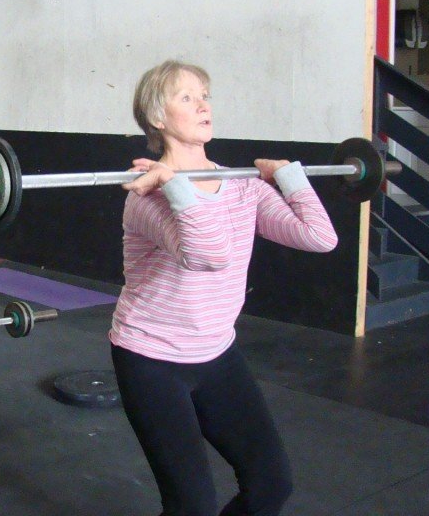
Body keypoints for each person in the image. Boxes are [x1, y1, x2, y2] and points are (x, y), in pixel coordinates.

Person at [110, 60, 339, 515]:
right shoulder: (147, 198)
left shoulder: (242, 186)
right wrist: (172, 185)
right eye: (187, 97)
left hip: (216, 353)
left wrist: (288, 176)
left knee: (272, 483)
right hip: (151, 358)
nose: (203, 105)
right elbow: (209, 255)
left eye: (205, 95)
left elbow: (319, 237)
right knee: (191, 506)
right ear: (157, 117)